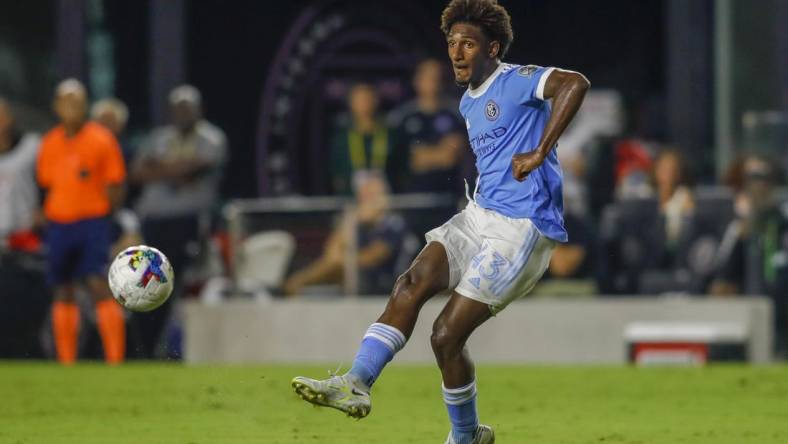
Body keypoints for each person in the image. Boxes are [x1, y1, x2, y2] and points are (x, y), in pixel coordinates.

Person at [291, 1, 589, 443]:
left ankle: (464, 436)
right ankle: (355, 382)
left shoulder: (516, 79)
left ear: (492, 47)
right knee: (411, 282)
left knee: (445, 335)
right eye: (452, 42)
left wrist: (541, 150)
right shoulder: (468, 102)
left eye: (468, 43)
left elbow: (575, 83)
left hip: (521, 228)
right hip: (479, 215)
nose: (456, 51)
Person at [130, 84, 227, 357]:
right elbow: (137, 173)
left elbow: (195, 169)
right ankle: (145, 350)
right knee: (147, 286)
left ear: (198, 110)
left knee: (176, 284)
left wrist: (159, 167)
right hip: (153, 222)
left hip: (188, 221)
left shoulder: (211, 137)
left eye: (188, 108)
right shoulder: (159, 137)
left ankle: (170, 350)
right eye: (178, 108)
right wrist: (176, 168)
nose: (183, 113)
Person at [37, 79, 127, 365]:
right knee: (62, 287)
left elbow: (115, 184)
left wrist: (105, 218)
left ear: (85, 105)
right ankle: (66, 361)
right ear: (56, 106)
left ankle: (115, 359)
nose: (72, 107)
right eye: (66, 101)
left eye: (77, 101)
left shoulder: (101, 139)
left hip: (91, 221)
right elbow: (46, 184)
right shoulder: (50, 142)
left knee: (97, 283)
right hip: (59, 222)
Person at [283, 171, 407, 296]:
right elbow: (330, 253)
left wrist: (342, 261)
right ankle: (296, 284)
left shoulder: (394, 222)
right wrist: (352, 221)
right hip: (355, 277)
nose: (368, 201)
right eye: (365, 196)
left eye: (373, 195)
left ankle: (297, 282)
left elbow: (372, 258)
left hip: (385, 282)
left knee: (337, 267)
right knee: (334, 268)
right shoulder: (356, 220)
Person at [711, 156, 788, 354]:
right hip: (748, 304)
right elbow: (724, 272)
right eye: (754, 181)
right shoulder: (738, 226)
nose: (759, 187)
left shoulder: (781, 223)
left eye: (763, 180)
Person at [388, 59, 467, 195]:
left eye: (437, 76)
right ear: (416, 80)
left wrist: (426, 154)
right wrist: (438, 153)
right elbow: (410, 160)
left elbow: (451, 157)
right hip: (411, 198)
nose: (433, 81)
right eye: (428, 76)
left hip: (448, 197)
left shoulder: (458, 114)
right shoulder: (401, 117)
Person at [330, 83, 400, 194]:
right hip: (353, 205)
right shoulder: (341, 140)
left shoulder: (391, 135)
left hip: (387, 203)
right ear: (351, 103)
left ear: (376, 100)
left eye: (367, 98)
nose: (364, 104)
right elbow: (336, 178)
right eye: (359, 100)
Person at [0, 97, 41, 248]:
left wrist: (45, 209)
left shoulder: (32, 147)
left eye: (1, 116)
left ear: (10, 119)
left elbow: (54, 178)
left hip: (25, 232)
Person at [91, 98, 133, 164]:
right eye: (103, 123)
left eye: (111, 122)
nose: (106, 128)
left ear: (121, 125)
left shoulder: (128, 153)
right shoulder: (86, 148)